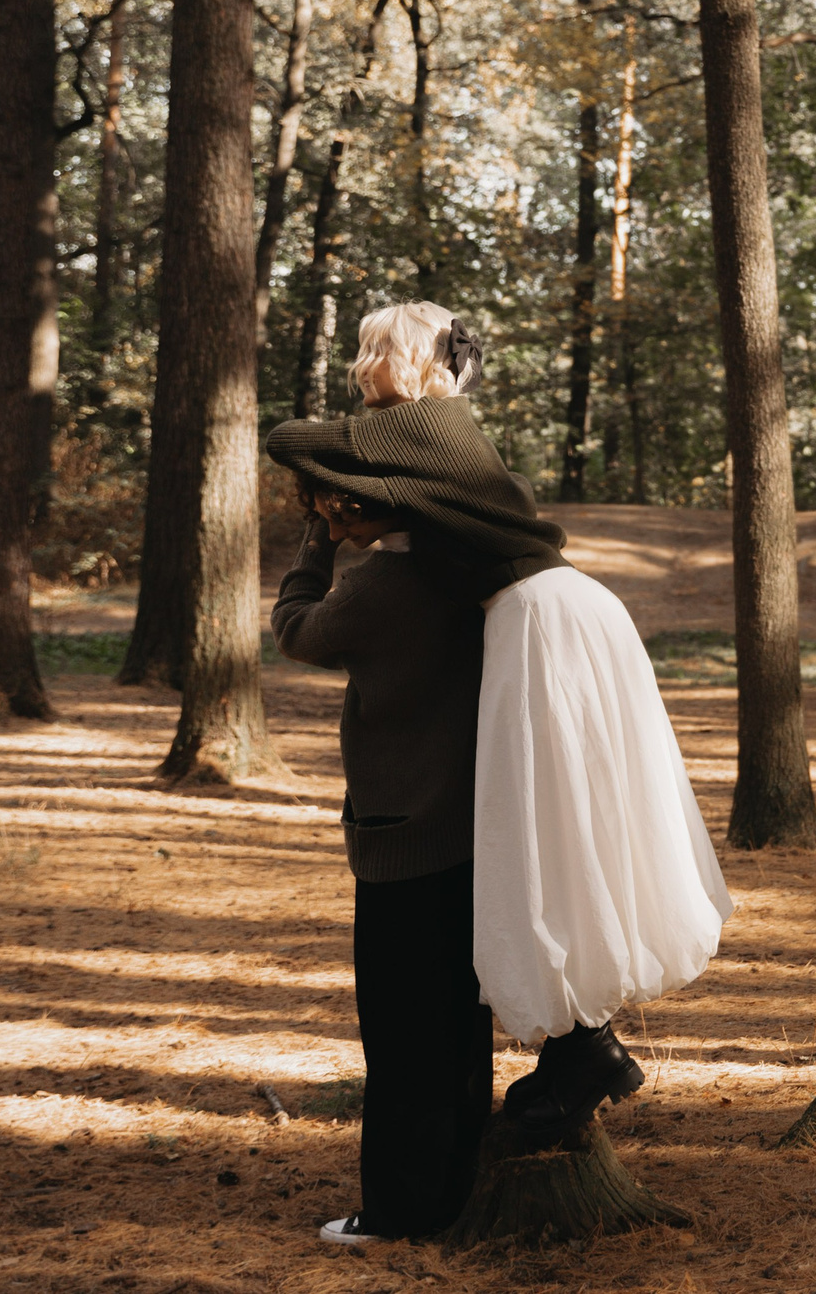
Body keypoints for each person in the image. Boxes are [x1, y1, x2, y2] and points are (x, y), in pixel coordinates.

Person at [269, 301, 734, 1151]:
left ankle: (583, 1052)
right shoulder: (449, 451)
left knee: (540, 842)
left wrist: (326, 510)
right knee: (552, 843)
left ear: (403, 358)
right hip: (555, 615)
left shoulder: (427, 428)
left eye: (372, 352)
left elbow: (289, 437)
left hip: (540, 624)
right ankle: (581, 1048)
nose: (360, 371)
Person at [271, 480, 490, 1247]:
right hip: (474, 831)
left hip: (402, 839)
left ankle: (399, 1209)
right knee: (461, 1026)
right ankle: (456, 1189)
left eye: (336, 504)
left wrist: (316, 546)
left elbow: (295, 629)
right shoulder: (474, 568)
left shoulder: (382, 587)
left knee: (400, 1038)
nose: (329, 513)